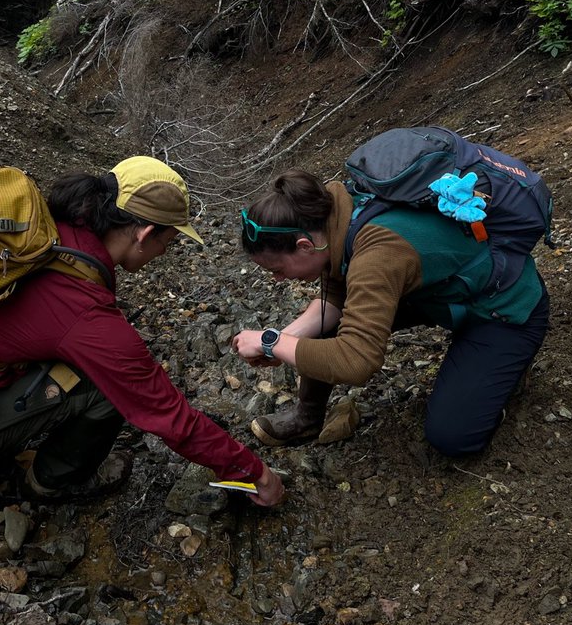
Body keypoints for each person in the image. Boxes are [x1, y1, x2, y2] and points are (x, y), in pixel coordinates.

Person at [0, 156, 284, 507]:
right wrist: (256, 473)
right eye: (169, 242)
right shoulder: (83, 310)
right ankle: (48, 484)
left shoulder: (45, 232)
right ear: (145, 234)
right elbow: (168, 416)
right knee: (105, 388)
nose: (164, 253)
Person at [231, 169, 549, 457]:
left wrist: (271, 342)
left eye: (277, 269)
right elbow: (335, 299)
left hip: (503, 309)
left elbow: (357, 361)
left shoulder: (378, 253)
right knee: (324, 327)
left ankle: (502, 370)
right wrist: (284, 339)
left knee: (452, 437)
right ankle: (307, 417)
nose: (278, 279)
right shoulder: (331, 216)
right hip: (440, 291)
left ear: (303, 246)